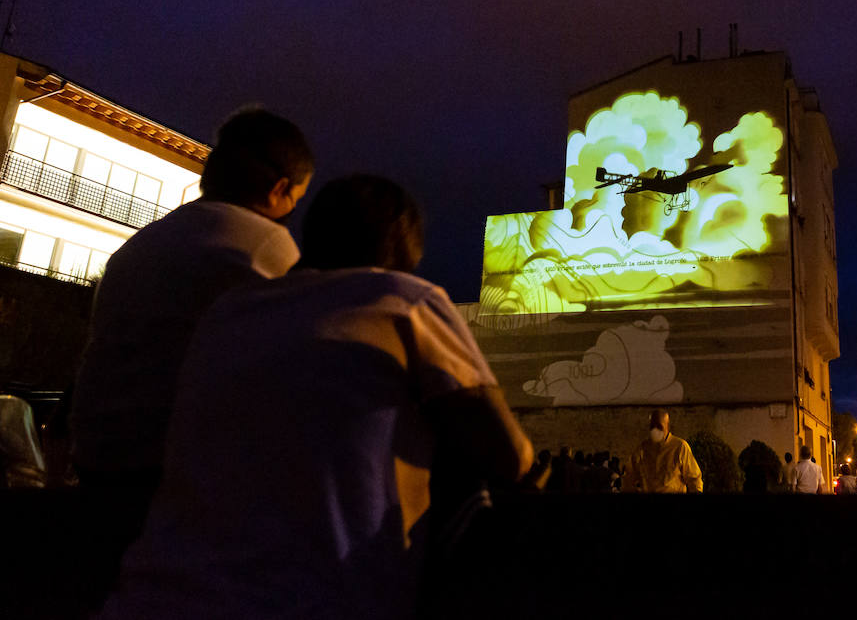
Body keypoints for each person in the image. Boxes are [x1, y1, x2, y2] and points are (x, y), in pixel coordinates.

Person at [100, 174, 533, 619]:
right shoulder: (405, 300)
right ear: (404, 253)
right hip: (315, 602)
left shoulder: (228, 312)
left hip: (148, 597)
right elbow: (511, 456)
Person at [70, 108, 314, 493]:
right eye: (296, 198)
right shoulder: (264, 245)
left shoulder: (144, 242)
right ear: (278, 189)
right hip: (175, 475)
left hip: (96, 460)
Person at [620, 410, 702, 493]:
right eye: (652, 426)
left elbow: (694, 479)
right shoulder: (642, 449)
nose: (655, 430)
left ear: (667, 427)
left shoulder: (680, 447)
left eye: (659, 427)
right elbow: (628, 478)